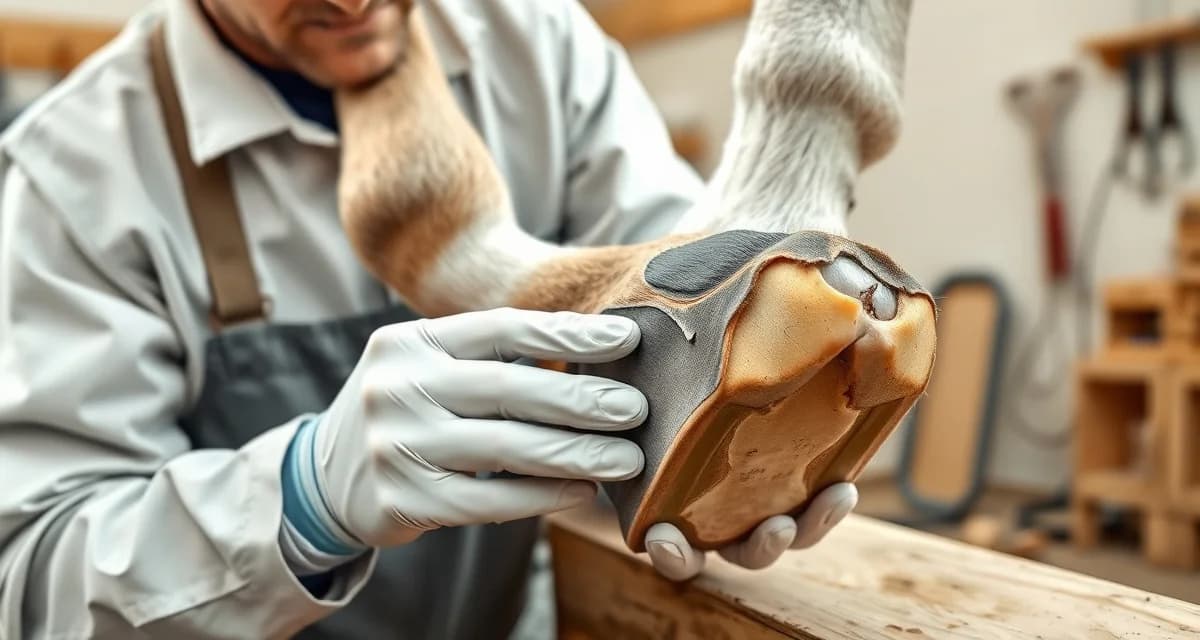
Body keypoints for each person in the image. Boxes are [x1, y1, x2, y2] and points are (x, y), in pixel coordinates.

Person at [0, 0, 860, 637]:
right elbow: (32, 585)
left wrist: (710, 467)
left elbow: (687, 311)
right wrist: (301, 496)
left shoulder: (538, 43)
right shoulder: (73, 173)